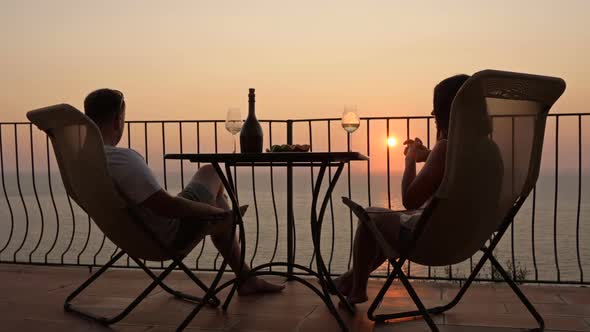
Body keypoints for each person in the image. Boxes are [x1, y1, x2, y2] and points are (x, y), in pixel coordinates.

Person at [84, 88, 284, 296]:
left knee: (211, 182)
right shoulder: (122, 159)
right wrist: (212, 213)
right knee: (213, 171)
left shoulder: (85, 162)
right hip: (169, 234)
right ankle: (246, 277)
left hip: (131, 234)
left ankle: (246, 276)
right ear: (118, 120)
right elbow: (167, 207)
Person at [337, 74, 470, 304]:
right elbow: (455, 168)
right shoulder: (486, 149)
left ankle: (357, 288)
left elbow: (410, 199)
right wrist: (429, 157)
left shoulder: (447, 148)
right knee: (387, 222)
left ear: (442, 115)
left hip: (435, 240)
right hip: (467, 237)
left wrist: (409, 159)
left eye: (435, 113)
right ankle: (348, 280)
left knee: (370, 216)